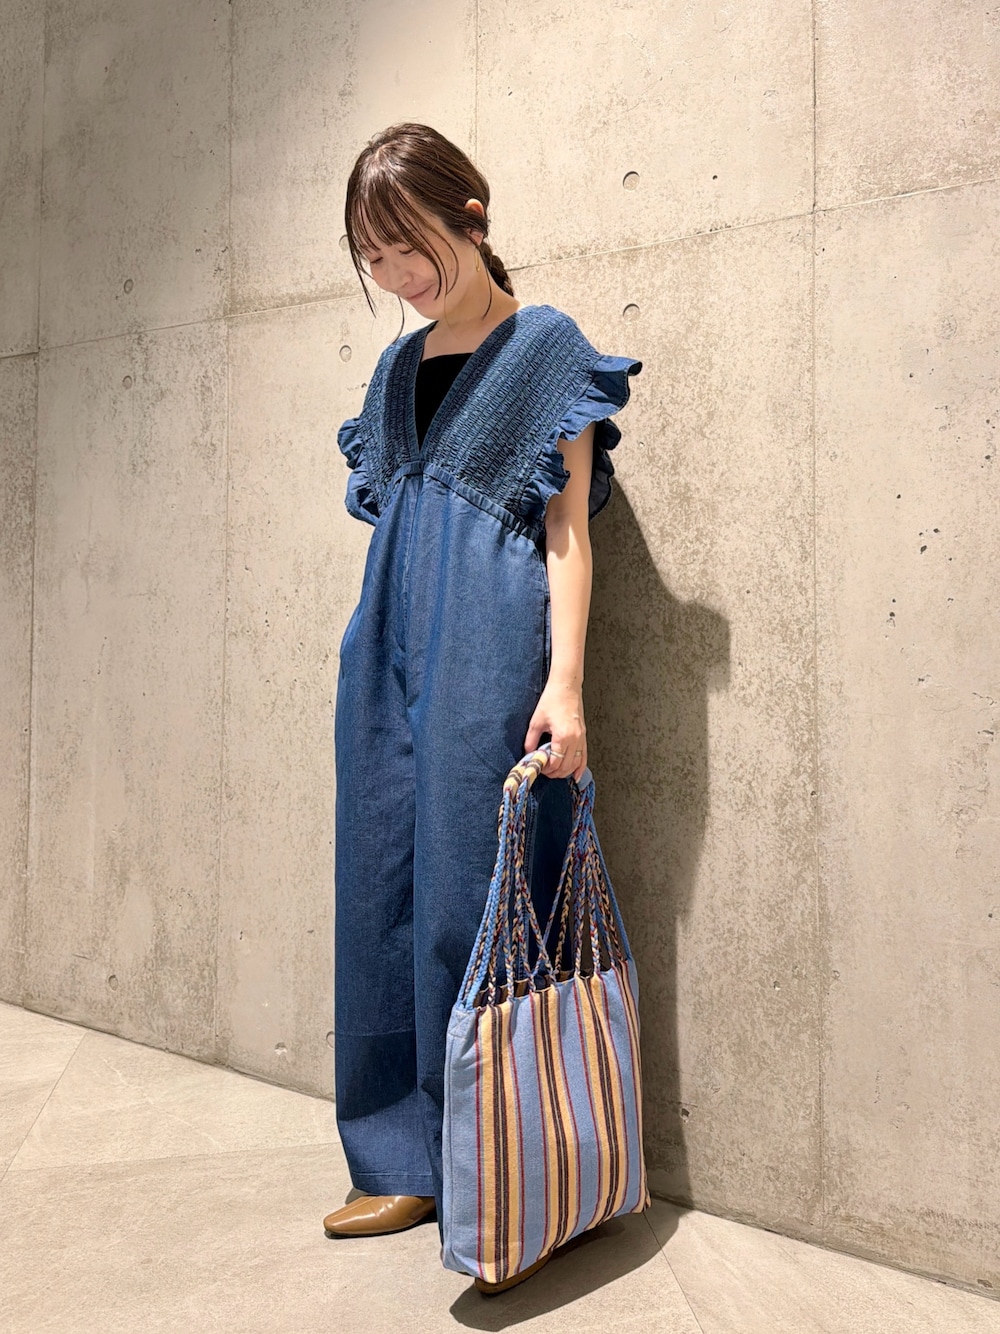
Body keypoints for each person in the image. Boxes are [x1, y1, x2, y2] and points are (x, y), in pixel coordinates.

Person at [321, 122, 642, 1294]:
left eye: (408, 246)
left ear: (470, 215)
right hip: (384, 645)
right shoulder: (395, 369)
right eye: (374, 259)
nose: (397, 276)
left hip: (491, 638)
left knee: (478, 888)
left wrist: (566, 683)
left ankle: (502, 1170)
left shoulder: (543, 346)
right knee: (379, 891)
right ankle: (398, 1155)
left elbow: (566, 531)